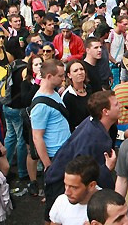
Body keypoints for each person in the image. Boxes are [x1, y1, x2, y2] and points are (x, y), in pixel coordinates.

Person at [43, 91, 119, 218]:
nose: (120, 106)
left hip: (58, 176)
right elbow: (90, 173)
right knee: (56, 217)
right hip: (62, 182)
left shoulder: (94, 123)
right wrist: (107, 169)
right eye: (116, 104)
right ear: (105, 111)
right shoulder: (96, 138)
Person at [31, 59, 71, 192]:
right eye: (60, 76)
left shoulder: (54, 93)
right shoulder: (40, 105)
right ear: (49, 76)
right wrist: (48, 165)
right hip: (55, 156)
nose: (63, 78)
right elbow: (37, 137)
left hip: (63, 152)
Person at [49, 156, 100, 225]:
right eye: (65, 185)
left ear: (91, 185)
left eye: (74, 187)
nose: (66, 193)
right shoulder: (61, 201)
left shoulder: (109, 208)